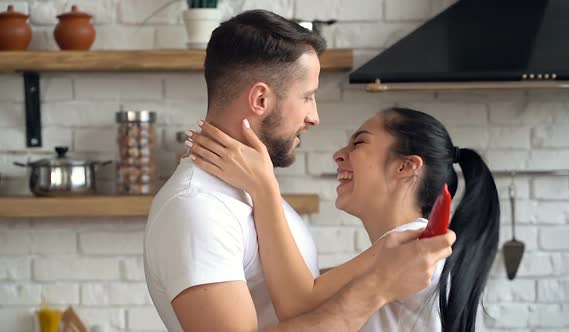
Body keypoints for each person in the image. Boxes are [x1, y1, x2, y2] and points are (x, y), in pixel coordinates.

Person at [144, 9, 455, 332]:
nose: (314, 117)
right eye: (307, 97)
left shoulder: (254, 191)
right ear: (261, 99)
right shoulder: (197, 208)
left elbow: (305, 300)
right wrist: (378, 285)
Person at [186, 107, 500, 332]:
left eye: (359, 143)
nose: (339, 154)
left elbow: (298, 303)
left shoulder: (412, 245)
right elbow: (315, 289)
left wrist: (263, 187)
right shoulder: (410, 243)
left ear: (405, 167)